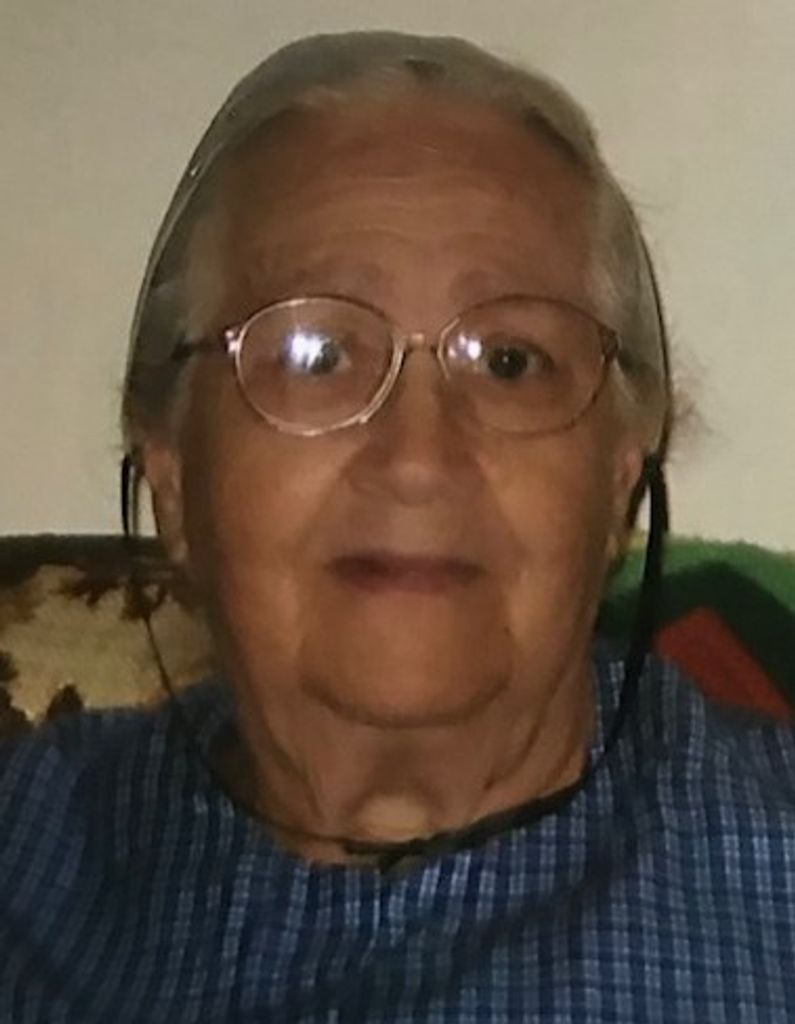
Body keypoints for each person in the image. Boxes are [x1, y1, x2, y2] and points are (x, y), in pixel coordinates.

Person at [1, 30, 793, 1023]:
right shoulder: (31, 859)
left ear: (618, 476)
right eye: (317, 353)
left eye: (509, 362)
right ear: (171, 476)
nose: (419, 457)